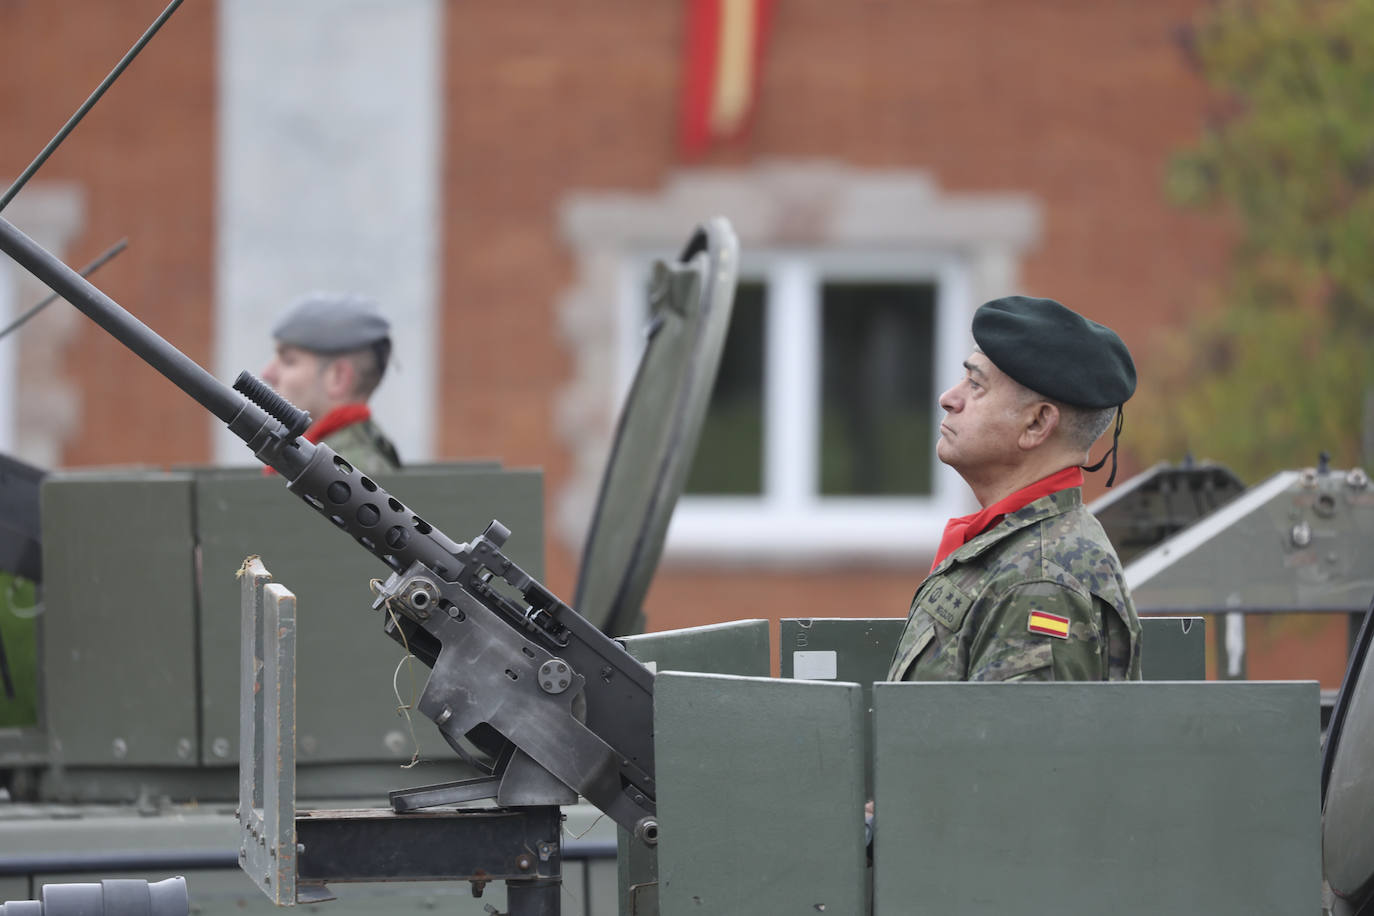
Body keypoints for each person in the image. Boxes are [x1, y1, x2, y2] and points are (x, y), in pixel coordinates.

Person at [886, 295, 1142, 682]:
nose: (949, 399)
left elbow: (1015, 740)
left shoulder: (1040, 581)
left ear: (1037, 424)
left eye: (975, 385)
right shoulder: (1020, 550)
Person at [261, 292, 402, 476]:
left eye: (289, 361)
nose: (267, 373)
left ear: (338, 378)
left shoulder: (343, 473)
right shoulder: (332, 462)